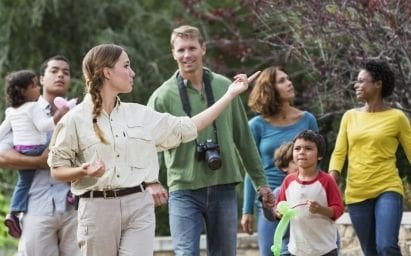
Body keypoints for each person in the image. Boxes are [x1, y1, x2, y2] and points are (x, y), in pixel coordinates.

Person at [47, 43, 255, 256]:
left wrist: (230, 95)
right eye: (126, 66)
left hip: (138, 205)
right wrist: (83, 170)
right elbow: (57, 169)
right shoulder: (74, 120)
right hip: (97, 209)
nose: (132, 72)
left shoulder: (140, 115)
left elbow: (188, 127)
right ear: (107, 72)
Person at [147, 25, 274, 256]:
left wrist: (261, 183)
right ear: (173, 53)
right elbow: (147, 145)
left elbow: (243, 139)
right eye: (181, 49)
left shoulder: (226, 87)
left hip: (223, 186)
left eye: (192, 48)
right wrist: (151, 181)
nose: (187, 55)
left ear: (203, 49)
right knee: (186, 253)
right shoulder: (161, 97)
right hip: (183, 189)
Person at [329, 59, 411, 256]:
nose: (356, 85)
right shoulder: (350, 116)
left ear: (378, 84)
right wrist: (332, 177)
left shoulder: (396, 117)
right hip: (357, 191)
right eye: (356, 82)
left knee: (386, 245)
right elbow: (340, 152)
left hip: (387, 187)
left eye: (361, 81)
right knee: (371, 251)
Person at [0, 56, 79, 255]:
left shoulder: (79, 113)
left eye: (66, 72)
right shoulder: (22, 113)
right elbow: (2, 156)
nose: (61, 74)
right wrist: (40, 161)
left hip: (76, 207)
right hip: (37, 205)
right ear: (41, 79)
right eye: (54, 70)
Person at [240, 66, 318, 256]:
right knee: (270, 252)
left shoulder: (307, 120)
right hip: (270, 202)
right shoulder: (256, 126)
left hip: (303, 199)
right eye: (282, 80)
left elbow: (317, 163)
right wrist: (247, 210)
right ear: (269, 89)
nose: (289, 82)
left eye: (288, 78)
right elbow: (251, 170)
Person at [276, 130, 344, 256]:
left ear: (319, 155)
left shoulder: (327, 180)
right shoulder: (288, 181)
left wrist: (320, 209)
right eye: (297, 148)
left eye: (308, 148)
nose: (301, 152)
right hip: (296, 250)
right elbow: (280, 207)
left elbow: (338, 210)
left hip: (325, 250)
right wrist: (279, 212)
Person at [272, 141, 297, 255]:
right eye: (294, 161)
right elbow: (273, 214)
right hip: (288, 249)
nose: (299, 164)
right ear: (284, 166)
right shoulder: (278, 192)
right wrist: (278, 212)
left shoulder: (317, 188)